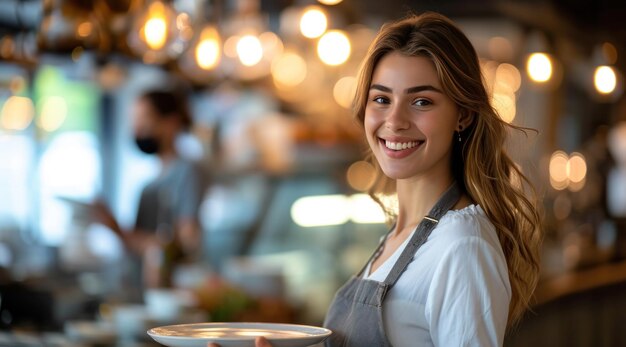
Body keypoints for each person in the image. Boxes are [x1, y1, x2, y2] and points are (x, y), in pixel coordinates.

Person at [210, 11, 541, 347]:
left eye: (421, 101)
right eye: (381, 99)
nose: (394, 120)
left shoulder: (462, 245)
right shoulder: (401, 235)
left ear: (463, 115)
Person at [96, 89, 205, 288]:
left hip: (172, 291)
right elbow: (138, 246)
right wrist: (113, 226)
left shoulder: (187, 172)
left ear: (171, 123)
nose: (137, 128)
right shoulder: (148, 187)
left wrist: (123, 232)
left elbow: (186, 242)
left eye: (144, 119)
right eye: (134, 120)